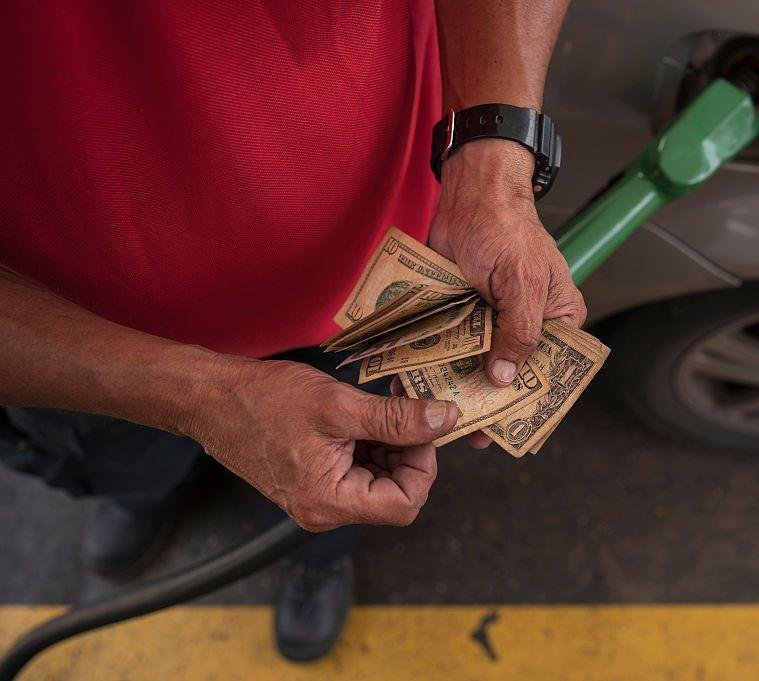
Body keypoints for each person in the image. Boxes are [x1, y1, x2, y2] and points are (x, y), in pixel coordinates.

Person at [0, 0, 585, 663]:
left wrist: (494, 165)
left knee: (348, 477)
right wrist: (199, 400)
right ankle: (146, 492)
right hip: (72, 335)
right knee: (125, 461)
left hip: (373, 261)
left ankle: (316, 550)